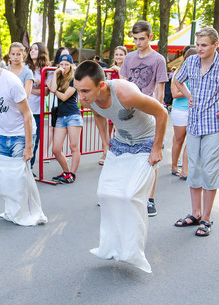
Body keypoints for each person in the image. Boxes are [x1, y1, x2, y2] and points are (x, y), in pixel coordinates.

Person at [74, 60, 167, 272]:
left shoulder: (125, 93)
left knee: (130, 196)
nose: (82, 97)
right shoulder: (88, 100)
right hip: (121, 143)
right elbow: (99, 116)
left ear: (102, 85)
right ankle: (111, 247)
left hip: (146, 142)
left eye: (86, 91)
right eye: (78, 91)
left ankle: (133, 253)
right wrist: (106, 145)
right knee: (105, 194)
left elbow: (161, 113)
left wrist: (157, 148)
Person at [173, 27, 219, 236]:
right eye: (197, 45)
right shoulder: (191, 61)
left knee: (210, 170)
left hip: (214, 126)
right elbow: (178, 79)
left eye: (204, 45)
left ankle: (206, 218)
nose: (199, 49)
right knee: (193, 169)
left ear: (215, 45)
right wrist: (188, 96)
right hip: (194, 123)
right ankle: (195, 213)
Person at [0, 38, 47, 226]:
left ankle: (29, 213)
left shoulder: (12, 82)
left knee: (19, 176)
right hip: (3, 133)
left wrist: (29, 147)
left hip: (21, 133)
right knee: (0, 175)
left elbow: (26, 115)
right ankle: (12, 210)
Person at [120, 20, 168, 217]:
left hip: (148, 111)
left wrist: (155, 113)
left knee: (151, 157)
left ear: (150, 37)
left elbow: (160, 90)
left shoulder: (158, 60)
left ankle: (150, 198)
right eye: (135, 39)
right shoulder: (129, 58)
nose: (138, 42)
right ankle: (127, 194)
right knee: (127, 154)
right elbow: (122, 83)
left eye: (142, 39)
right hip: (129, 112)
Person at [47, 54, 83, 184]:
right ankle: (66, 172)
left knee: (74, 147)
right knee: (56, 149)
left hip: (73, 115)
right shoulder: (58, 77)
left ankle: (72, 174)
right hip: (61, 117)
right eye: (61, 64)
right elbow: (51, 88)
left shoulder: (74, 79)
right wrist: (56, 75)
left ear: (71, 66)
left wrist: (54, 90)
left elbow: (63, 97)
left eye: (66, 64)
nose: (63, 67)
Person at [96, 46, 128, 166]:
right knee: (107, 127)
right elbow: (107, 85)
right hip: (111, 101)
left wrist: (119, 71)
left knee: (120, 129)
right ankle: (106, 152)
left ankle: (120, 153)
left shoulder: (125, 69)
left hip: (122, 101)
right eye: (117, 54)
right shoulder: (111, 70)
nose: (118, 57)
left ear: (125, 56)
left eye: (121, 54)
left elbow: (124, 83)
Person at [170, 47, 197, 181]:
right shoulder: (178, 73)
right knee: (179, 139)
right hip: (181, 110)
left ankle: (185, 171)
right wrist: (191, 94)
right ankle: (174, 166)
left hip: (194, 111)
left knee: (191, 141)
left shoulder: (200, 72)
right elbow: (174, 94)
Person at [25, 42, 50, 170]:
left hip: (37, 110)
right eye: (31, 49)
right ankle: (20, 168)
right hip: (24, 109)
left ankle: (30, 168)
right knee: (22, 140)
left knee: (34, 141)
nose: (32, 51)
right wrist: (35, 87)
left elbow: (45, 92)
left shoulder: (46, 70)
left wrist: (28, 89)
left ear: (41, 52)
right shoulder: (24, 67)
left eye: (36, 49)